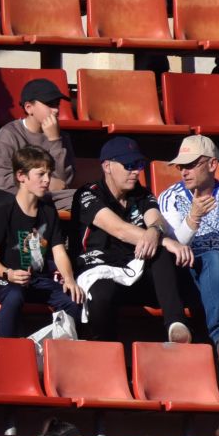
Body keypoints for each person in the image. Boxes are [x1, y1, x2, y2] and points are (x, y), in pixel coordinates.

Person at [73, 136, 196, 343]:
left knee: (164, 255)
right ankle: (105, 349)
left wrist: (155, 230)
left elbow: (156, 219)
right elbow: (118, 229)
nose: (136, 171)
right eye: (128, 165)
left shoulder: (141, 193)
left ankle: (177, 326)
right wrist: (163, 239)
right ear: (107, 166)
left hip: (135, 272)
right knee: (103, 292)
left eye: (138, 164)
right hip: (100, 270)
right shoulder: (88, 193)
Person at [0, 146, 82, 340]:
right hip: (4, 279)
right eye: (41, 174)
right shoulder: (4, 210)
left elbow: (59, 252)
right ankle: (5, 349)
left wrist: (70, 280)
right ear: (21, 176)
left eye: (49, 174)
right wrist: (9, 274)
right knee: (14, 296)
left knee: (73, 300)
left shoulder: (48, 210)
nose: (47, 180)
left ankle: (67, 354)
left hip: (38, 280)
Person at [157, 135, 219, 352]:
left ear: (212, 164)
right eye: (181, 166)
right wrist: (193, 218)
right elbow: (176, 246)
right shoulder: (170, 198)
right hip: (188, 271)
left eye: (191, 165)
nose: (184, 172)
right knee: (213, 257)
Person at [0, 76, 77, 212]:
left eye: (57, 104)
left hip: (53, 197)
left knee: (84, 197)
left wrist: (54, 141)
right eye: (50, 104)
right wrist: (42, 183)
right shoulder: (9, 134)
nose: (56, 110)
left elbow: (64, 181)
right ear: (29, 107)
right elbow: (3, 181)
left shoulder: (61, 137)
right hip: (17, 197)